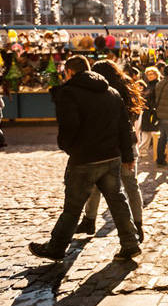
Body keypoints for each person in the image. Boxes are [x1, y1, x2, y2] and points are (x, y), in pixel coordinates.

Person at [29, 56, 140, 261]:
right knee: (118, 202)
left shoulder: (69, 93)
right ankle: (130, 243)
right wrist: (126, 154)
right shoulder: (111, 92)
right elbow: (124, 126)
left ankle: (56, 247)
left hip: (84, 158)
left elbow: (69, 127)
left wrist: (70, 148)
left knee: (72, 206)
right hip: (111, 156)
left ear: (70, 72)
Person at [76, 60, 146, 243]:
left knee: (98, 182)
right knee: (131, 185)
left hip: (110, 144)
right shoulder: (127, 87)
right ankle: (138, 225)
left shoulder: (103, 93)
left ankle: (89, 220)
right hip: (128, 141)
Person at [138, 67, 161, 156]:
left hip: (153, 111)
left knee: (155, 132)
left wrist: (153, 107)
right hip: (146, 111)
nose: (149, 76)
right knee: (145, 132)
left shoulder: (157, 85)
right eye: (148, 74)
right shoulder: (148, 85)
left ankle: (158, 152)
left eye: (151, 74)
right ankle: (143, 151)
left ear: (156, 74)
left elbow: (157, 98)